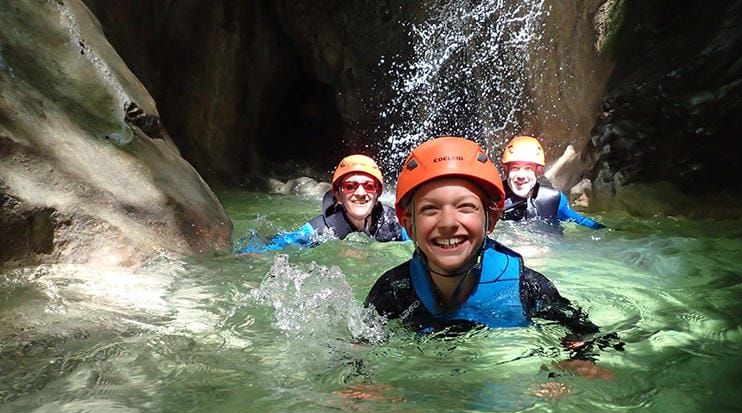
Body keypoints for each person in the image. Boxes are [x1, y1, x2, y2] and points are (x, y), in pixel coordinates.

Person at [365, 137, 620, 374]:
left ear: (492, 219)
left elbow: (590, 336)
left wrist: (582, 360)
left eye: (466, 207)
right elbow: (360, 349)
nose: (448, 223)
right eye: (430, 209)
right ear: (409, 225)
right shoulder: (393, 290)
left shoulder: (527, 287)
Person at [236, 154, 408, 253]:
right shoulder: (320, 230)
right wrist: (246, 254)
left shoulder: (396, 224)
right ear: (338, 195)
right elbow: (281, 243)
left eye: (369, 186)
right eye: (350, 186)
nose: (361, 193)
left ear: (377, 194)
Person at [500, 136, 605, 229]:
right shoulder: (494, 197)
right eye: (515, 168)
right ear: (505, 170)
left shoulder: (552, 200)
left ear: (538, 171)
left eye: (528, 168)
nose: (521, 176)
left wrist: (608, 231)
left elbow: (581, 221)